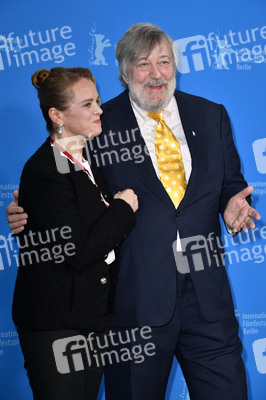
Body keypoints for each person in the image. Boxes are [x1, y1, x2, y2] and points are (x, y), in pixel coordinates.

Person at [6, 24, 261, 400]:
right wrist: (23, 208)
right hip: (134, 307)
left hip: (209, 304)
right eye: (143, 64)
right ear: (124, 73)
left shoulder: (211, 116)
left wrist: (233, 206)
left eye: (164, 62)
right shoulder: (97, 124)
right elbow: (65, 183)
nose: (156, 74)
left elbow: (230, 185)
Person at [10, 66, 138, 400]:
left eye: (97, 101)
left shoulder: (88, 160)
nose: (99, 110)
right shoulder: (44, 169)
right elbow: (77, 251)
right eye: (87, 104)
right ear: (57, 115)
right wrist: (123, 208)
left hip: (89, 318)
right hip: (56, 324)